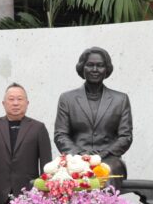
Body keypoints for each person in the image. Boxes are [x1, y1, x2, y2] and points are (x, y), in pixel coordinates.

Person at [54, 47, 132, 177]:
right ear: (82, 67)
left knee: (104, 174)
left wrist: (103, 154)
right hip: (75, 159)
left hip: (109, 159)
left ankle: (106, 192)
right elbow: (61, 135)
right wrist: (80, 154)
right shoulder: (67, 99)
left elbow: (126, 137)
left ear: (106, 69)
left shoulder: (120, 100)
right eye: (90, 65)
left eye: (100, 65)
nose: (95, 69)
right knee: (63, 175)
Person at [0, 83, 53, 204]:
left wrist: (44, 191)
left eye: (20, 99)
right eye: (11, 99)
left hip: (29, 195)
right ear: (3, 103)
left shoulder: (38, 128)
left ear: (27, 103)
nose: (15, 103)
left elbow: (46, 165)